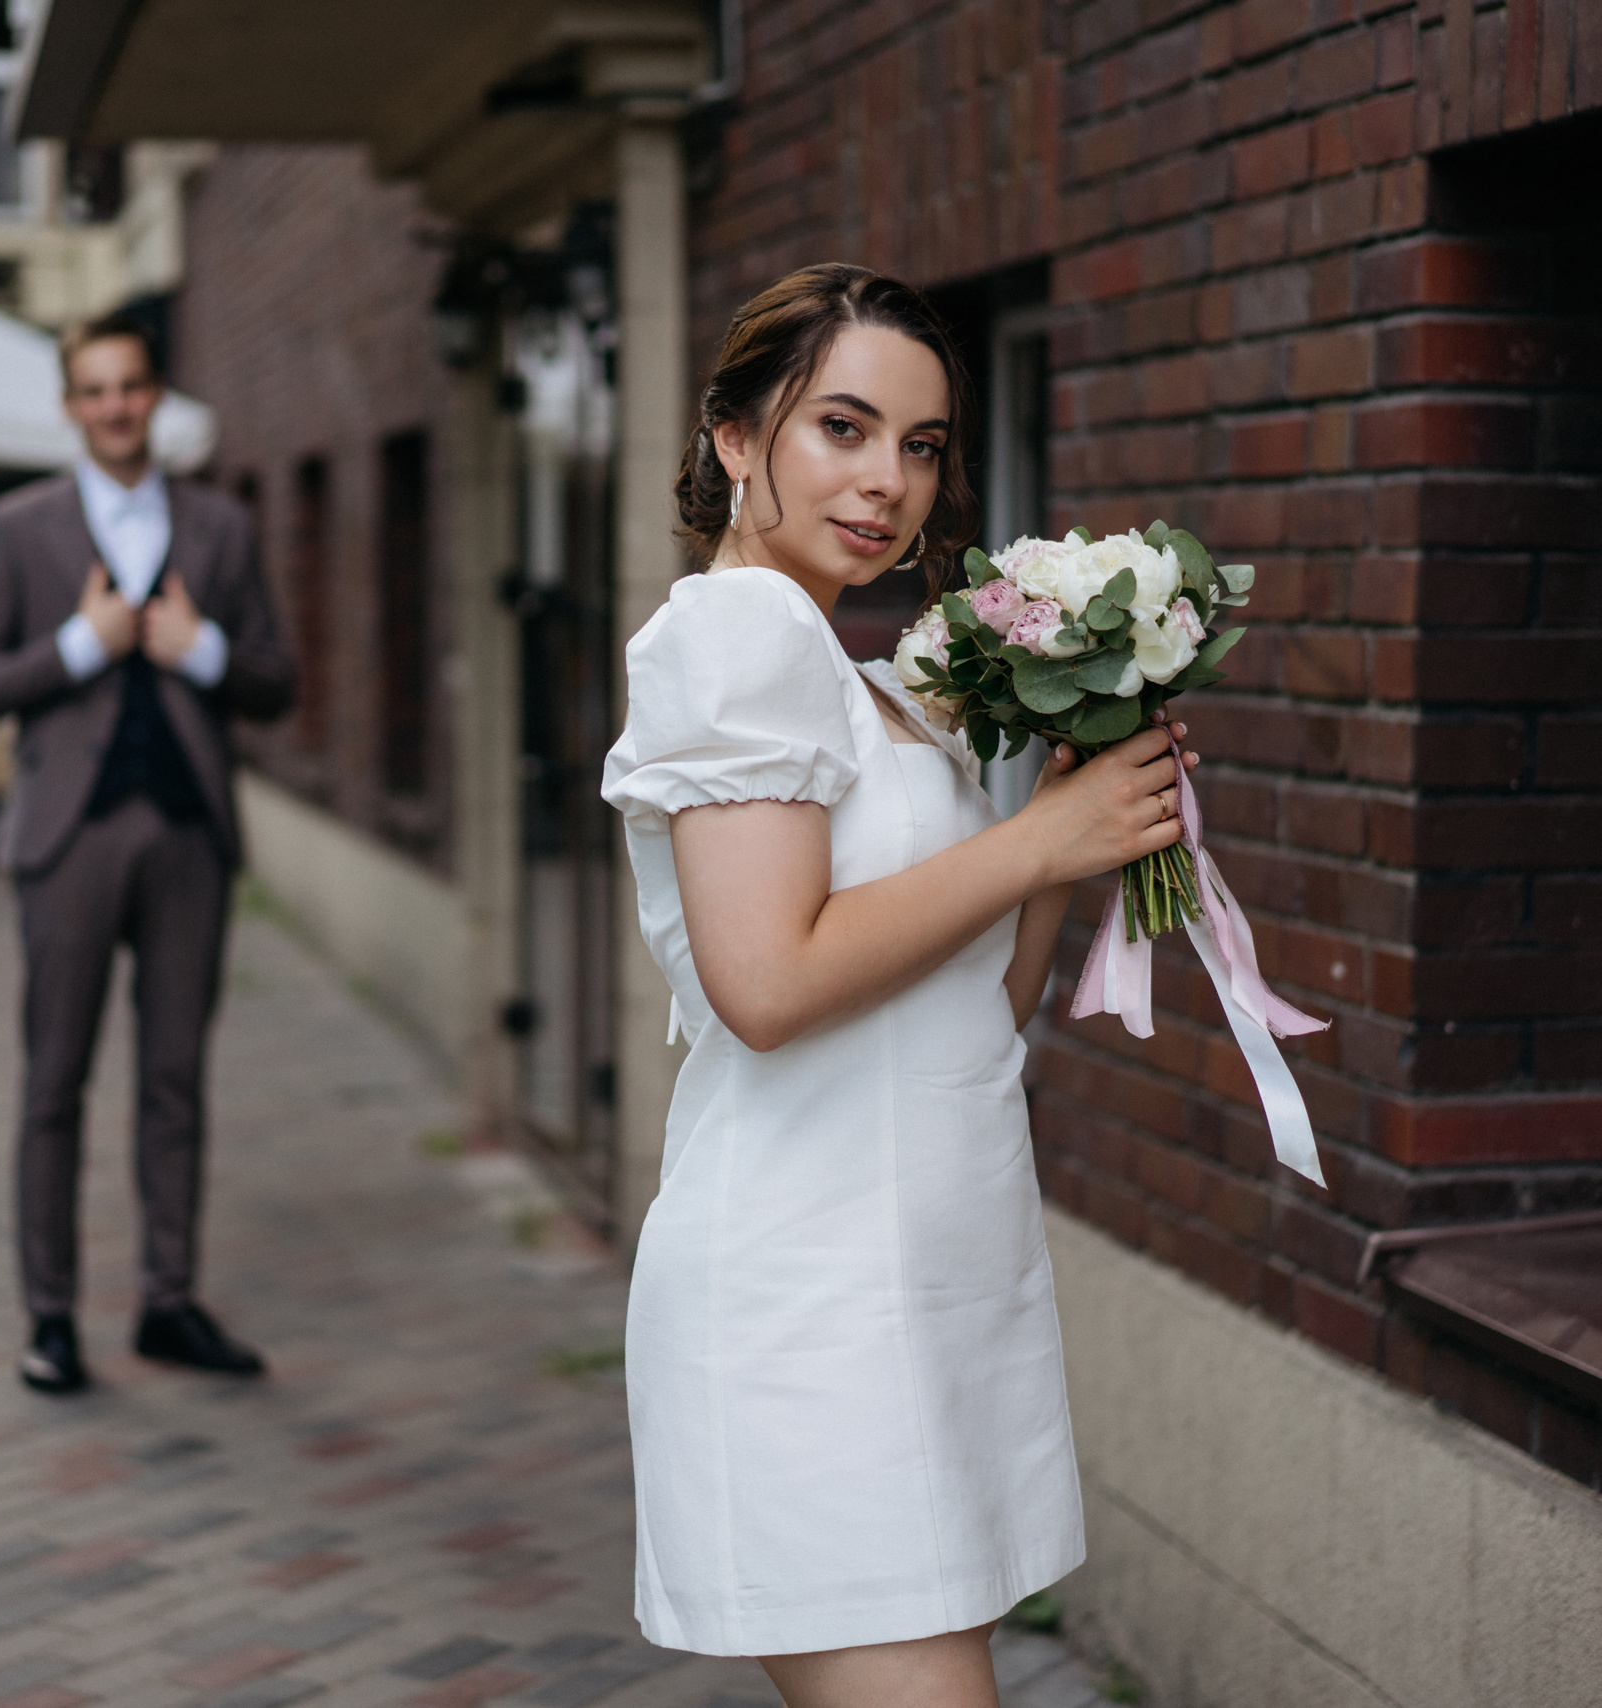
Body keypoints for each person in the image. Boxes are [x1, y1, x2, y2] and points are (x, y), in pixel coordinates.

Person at [600, 264, 1196, 1707]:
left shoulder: (862, 673)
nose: (887, 483)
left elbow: (968, 1014)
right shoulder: (738, 639)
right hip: (811, 1303)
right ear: (738, 438)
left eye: (921, 447)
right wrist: (1032, 844)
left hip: (918, 1291)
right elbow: (765, 982)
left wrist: (1064, 834)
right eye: (844, 429)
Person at [0, 314, 294, 1395]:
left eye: (130, 386)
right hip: (69, 837)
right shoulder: (18, 529)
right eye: (92, 390)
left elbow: (277, 682)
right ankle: (49, 1319)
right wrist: (76, 645)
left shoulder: (222, 528)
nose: (113, 406)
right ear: (69, 406)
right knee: (56, 1079)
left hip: (188, 831)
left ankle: (167, 1300)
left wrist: (207, 653)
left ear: (155, 397)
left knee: (176, 1077)